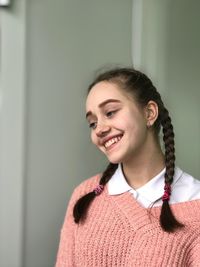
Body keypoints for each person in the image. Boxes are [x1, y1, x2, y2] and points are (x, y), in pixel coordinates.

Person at [55, 68, 200, 266]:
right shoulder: (85, 196)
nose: (100, 129)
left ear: (149, 113)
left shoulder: (195, 204)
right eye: (93, 123)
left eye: (110, 113)